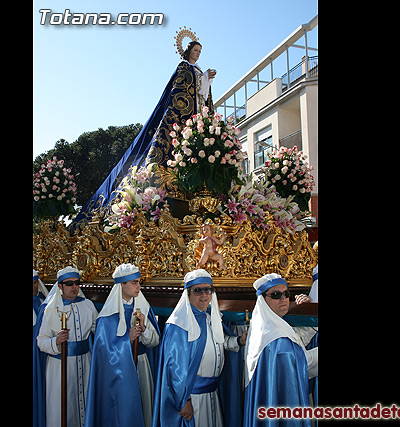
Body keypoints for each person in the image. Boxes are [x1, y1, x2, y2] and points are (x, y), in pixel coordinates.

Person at [70, 38, 217, 231]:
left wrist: (206, 79)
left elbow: (202, 95)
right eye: (196, 50)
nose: (198, 54)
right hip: (180, 117)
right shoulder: (183, 68)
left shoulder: (198, 70)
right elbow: (181, 91)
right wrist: (203, 78)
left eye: (200, 51)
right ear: (188, 51)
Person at [152, 269, 247, 427]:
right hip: (193, 398)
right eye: (198, 291)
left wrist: (239, 341)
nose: (204, 295)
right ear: (188, 294)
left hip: (212, 394)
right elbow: (173, 368)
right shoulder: (178, 325)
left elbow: (219, 342)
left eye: (207, 290)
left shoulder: (209, 318)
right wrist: (184, 400)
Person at [84, 263, 160, 427]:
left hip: (141, 364)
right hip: (119, 375)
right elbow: (104, 353)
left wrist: (144, 330)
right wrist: (127, 340)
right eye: (134, 283)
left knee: (144, 407)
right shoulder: (106, 317)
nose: (139, 286)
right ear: (121, 285)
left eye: (139, 282)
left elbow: (155, 342)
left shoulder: (143, 308)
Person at [243, 273, 318, 427]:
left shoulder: (267, 325)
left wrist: (311, 311)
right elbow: (302, 363)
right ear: (263, 300)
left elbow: (296, 339)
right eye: (276, 295)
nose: (283, 299)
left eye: (286, 294)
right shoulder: (276, 339)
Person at [33, 266, 98, 427]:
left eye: (76, 283)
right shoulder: (50, 309)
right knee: (61, 407)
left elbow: (99, 331)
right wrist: (55, 341)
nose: (74, 287)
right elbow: (41, 341)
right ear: (60, 286)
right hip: (59, 367)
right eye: (69, 284)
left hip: (85, 363)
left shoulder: (88, 305)